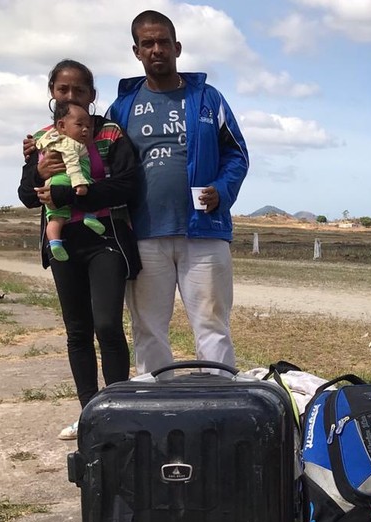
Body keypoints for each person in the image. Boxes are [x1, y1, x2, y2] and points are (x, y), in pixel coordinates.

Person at [107, 10, 249, 374]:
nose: (157, 49)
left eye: (164, 42)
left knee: (212, 326)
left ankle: (218, 408)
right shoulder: (121, 107)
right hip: (143, 235)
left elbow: (236, 153)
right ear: (136, 51)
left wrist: (222, 189)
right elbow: (96, 157)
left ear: (177, 47)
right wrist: (43, 153)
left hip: (203, 232)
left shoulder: (207, 99)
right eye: (148, 43)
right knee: (148, 329)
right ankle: (158, 412)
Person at [18, 59, 141, 440]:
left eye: (79, 91)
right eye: (63, 90)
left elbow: (128, 186)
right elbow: (26, 197)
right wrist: (38, 173)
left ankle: (118, 409)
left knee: (106, 324)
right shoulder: (42, 139)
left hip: (106, 240)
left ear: (92, 95)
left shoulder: (110, 133)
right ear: (52, 93)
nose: (71, 96)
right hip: (64, 246)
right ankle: (90, 414)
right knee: (77, 331)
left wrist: (69, 194)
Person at [36, 101, 107, 261]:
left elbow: (40, 143)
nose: (85, 130)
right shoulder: (70, 144)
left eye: (88, 127)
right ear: (62, 126)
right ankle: (90, 216)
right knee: (94, 194)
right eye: (79, 125)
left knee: (56, 218)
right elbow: (72, 164)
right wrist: (79, 183)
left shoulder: (51, 140)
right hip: (68, 180)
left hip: (54, 185)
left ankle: (55, 243)